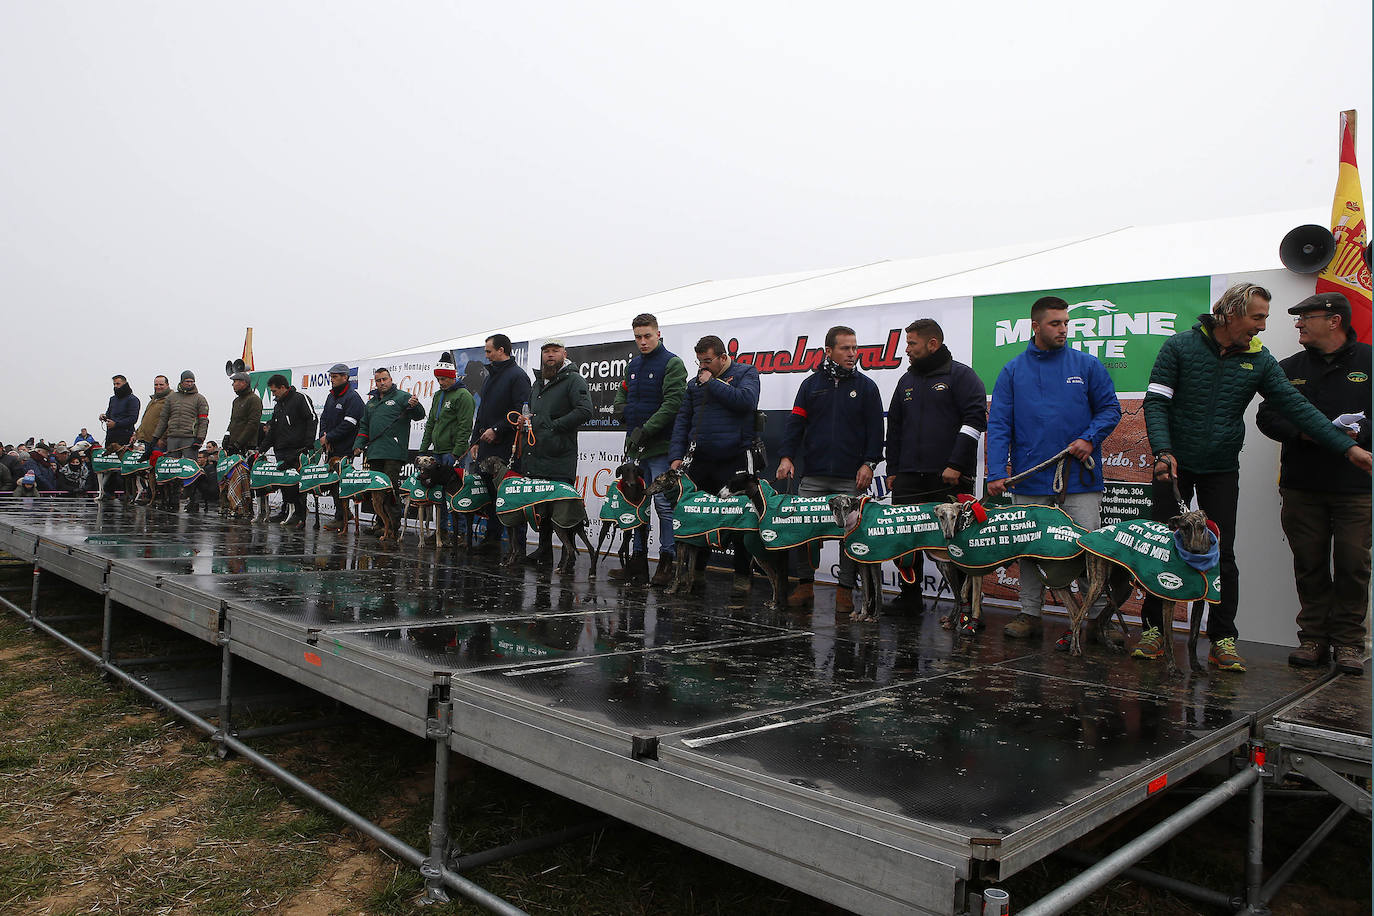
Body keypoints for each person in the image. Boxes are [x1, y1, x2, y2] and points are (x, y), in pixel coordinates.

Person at [1140, 282, 1373, 672]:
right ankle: (1153, 632)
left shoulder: (1260, 361)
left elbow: (1298, 409)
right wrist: (1163, 451)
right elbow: (1157, 401)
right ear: (1231, 314)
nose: (1263, 326)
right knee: (1162, 547)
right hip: (1173, 466)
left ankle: (1223, 639)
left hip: (1221, 468)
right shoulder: (1179, 347)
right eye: (1258, 317)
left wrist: (1346, 447)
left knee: (1223, 553)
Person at [985, 296, 1123, 642]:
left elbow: (1110, 410)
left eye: (1065, 322)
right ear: (1035, 326)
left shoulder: (1087, 365)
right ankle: (1029, 613)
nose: (1063, 329)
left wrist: (1089, 439)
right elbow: (1000, 424)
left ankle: (1095, 620)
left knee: (1088, 548)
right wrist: (996, 472)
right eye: (1055, 323)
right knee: (1030, 547)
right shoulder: (1013, 370)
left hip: (1079, 477)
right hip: (1030, 479)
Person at [1256, 292, 1372, 676]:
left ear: (1334, 320)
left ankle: (1350, 644)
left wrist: (1361, 432)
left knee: (1354, 564)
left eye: (1306, 317)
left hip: (1356, 488)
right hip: (1302, 485)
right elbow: (1267, 418)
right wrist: (1306, 434)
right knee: (1309, 563)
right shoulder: (1288, 367)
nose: (1298, 324)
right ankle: (1313, 639)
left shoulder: (1371, 362)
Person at [776, 325, 884, 612]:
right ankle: (805, 585)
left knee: (849, 533)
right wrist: (786, 457)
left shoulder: (867, 387)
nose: (852, 354)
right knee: (803, 530)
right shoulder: (810, 385)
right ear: (829, 351)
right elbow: (794, 425)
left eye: (854, 347)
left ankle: (845, 590)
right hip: (813, 475)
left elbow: (876, 432)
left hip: (850, 478)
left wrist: (869, 463)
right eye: (845, 348)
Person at [884, 319, 987, 612]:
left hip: (949, 478)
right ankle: (910, 596)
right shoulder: (906, 381)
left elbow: (975, 422)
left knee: (954, 543)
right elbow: (895, 427)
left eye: (912, 343)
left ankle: (964, 605)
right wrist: (893, 468)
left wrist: (955, 464)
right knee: (905, 539)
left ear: (933, 344)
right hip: (908, 478)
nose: (907, 349)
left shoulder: (962, 376)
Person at [669, 334, 763, 594]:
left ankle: (743, 576)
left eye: (708, 361)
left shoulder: (747, 373)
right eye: (699, 361)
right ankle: (696, 572)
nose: (703, 367)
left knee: (742, 518)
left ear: (723, 357)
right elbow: (683, 421)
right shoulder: (694, 384)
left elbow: (746, 402)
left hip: (735, 459)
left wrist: (714, 384)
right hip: (701, 460)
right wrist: (676, 455)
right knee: (698, 515)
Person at [611, 314, 687, 585]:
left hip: (662, 447)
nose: (642, 342)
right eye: (638, 337)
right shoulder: (633, 365)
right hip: (635, 448)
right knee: (635, 503)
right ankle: (637, 561)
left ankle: (667, 563)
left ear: (658, 334)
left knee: (664, 506)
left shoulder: (672, 363)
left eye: (647, 336)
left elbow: (673, 402)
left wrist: (648, 428)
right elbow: (623, 393)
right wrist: (621, 408)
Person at [523, 339, 593, 564]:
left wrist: (554, 426)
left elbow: (584, 410)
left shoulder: (574, 379)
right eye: (546, 351)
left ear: (564, 353)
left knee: (562, 509)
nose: (550, 355)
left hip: (561, 455)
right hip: (537, 454)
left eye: (555, 351)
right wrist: (525, 423)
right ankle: (544, 550)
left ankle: (568, 555)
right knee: (541, 507)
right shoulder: (537, 383)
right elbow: (534, 413)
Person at [468, 334, 532, 554]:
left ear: (502, 350)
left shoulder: (518, 376)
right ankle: (492, 539)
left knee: (508, 496)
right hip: (485, 446)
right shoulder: (489, 377)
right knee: (489, 496)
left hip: (506, 448)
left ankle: (517, 547)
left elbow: (520, 411)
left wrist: (497, 430)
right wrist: (474, 441)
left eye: (488, 351)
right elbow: (482, 411)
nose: (486, 355)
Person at [355, 367, 424, 536]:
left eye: (385, 379)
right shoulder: (371, 402)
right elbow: (364, 425)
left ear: (391, 379)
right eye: (378, 380)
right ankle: (381, 524)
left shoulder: (402, 397)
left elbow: (420, 415)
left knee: (389, 489)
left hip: (393, 452)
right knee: (376, 491)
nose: (382, 383)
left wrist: (415, 405)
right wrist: (358, 443)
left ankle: (393, 526)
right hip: (374, 452)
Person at [420, 352, 476, 544]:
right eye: (438, 379)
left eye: (443, 378)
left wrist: (457, 453)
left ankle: (460, 533)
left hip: (454, 453)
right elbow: (431, 423)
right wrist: (423, 449)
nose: (440, 382)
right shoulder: (438, 395)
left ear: (453, 376)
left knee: (457, 494)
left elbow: (465, 426)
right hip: (437, 452)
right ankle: (441, 531)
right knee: (439, 494)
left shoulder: (464, 396)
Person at [260, 374, 317, 528]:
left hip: (297, 449)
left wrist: (308, 444)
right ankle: (286, 511)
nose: (273, 394)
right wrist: (263, 448)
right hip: (281, 449)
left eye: (274, 391)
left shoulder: (300, 398)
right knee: (284, 483)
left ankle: (299, 515)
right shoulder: (278, 405)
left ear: (283, 387)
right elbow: (273, 429)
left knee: (295, 484)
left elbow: (312, 419)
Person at [318, 363, 365, 532]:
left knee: (341, 483)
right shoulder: (331, 396)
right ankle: (344, 514)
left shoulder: (352, 398)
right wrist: (323, 436)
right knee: (332, 483)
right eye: (331, 376)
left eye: (335, 376)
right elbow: (323, 418)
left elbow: (349, 424)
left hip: (345, 448)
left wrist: (330, 436)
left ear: (345, 377)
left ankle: (341, 517)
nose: (332, 379)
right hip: (331, 448)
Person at [96, 375, 141, 500]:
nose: (116, 386)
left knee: (125, 466)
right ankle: (108, 493)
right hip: (111, 436)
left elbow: (133, 418)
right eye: (114, 384)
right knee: (109, 465)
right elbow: (110, 414)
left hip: (125, 436)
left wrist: (117, 424)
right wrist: (104, 416)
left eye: (118, 384)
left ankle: (128, 493)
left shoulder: (133, 400)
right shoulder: (113, 399)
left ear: (125, 383)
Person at [224, 371, 263, 455]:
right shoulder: (236, 401)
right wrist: (227, 436)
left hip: (246, 446)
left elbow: (253, 423)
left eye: (235, 382)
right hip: (233, 445)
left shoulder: (254, 399)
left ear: (243, 383)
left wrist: (238, 443)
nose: (233, 385)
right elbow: (232, 421)